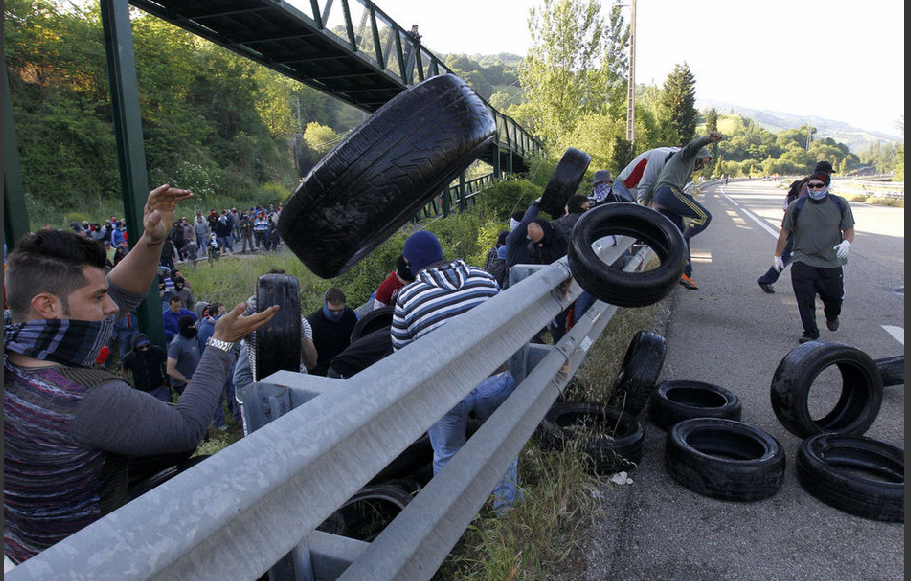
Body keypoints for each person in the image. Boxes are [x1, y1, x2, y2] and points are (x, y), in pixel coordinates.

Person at [3, 183, 280, 563]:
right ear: (47, 305)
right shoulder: (86, 399)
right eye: (97, 299)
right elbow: (185, 430)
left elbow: (122, 291)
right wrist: (220, 343)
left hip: (23, 547)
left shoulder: (16, 341)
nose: (110, 308)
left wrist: (152, 240)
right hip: (86, 559)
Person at [391, 230, 519, 513]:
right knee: (503, 443)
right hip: (494, 379)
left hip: (446, 392)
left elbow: (402, 355)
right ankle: (506, 508)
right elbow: (507, 323)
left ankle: (453, 518)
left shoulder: (407, 297)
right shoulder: (483, 278)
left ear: (411, 264)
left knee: (447, 454)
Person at [773, 170, 854, 343]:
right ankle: (810, 332)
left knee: (833, 297)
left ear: (827, 186)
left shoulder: (840, 204)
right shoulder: (797, 206)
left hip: (830, 262)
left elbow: (849, 229)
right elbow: (784, 232)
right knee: (805, 298)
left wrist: (847, 242)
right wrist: (777, 255)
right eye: (811, 185)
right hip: (804, 259)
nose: (814, 189)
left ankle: (832, 315)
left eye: (819, 185)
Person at [649, 131, 725, 290]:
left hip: (660, 199)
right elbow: (692, 146)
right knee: (704, 216)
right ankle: (681, 242)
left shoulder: (685, 166)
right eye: (703, 162)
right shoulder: (686, 156)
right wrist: (707, 140)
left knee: (680, 230)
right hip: (667, 193)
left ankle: (683, 274)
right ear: (697, 157)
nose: (703, 166)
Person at [758, 161, 836, 293]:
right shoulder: (810, 185)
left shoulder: (806, 183)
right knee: (787, 257)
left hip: (801, 228)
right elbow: (803, 206)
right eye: (829, 173)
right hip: (801, 229)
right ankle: (766, 280)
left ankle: (817, 286)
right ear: (824, 173)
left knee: (810, 258)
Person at [307, 287, 358, 377]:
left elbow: (356, 342)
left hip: (346, 366)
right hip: (323, 371)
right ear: (326, 304)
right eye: (332, 311)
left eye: (339, 310)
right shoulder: (314, 322)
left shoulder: (349, 316)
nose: (336, 314)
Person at [615, 146, 681, 205]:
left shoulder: (679, 160)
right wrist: (644, 208)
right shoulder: (658, 157)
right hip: (624, 187)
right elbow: (645, 185)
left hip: (636, 191)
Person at [120, 333, 171, 403]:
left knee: (166, 405)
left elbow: (167, 363)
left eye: (147, 346)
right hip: (142, 390)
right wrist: (128, 385)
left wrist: (168, 378)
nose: (145, 349)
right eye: (141, 347)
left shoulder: (157, 351)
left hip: (159, 387)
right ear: (135, 347)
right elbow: (124, 371)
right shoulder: (129, 358)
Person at [166, 314, 201, 397]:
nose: (194, 328)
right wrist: (186, 380)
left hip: (195, 379)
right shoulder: (176, 344)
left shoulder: (193, 337)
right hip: (183, 384)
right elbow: (170, 370)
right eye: (191, 327)